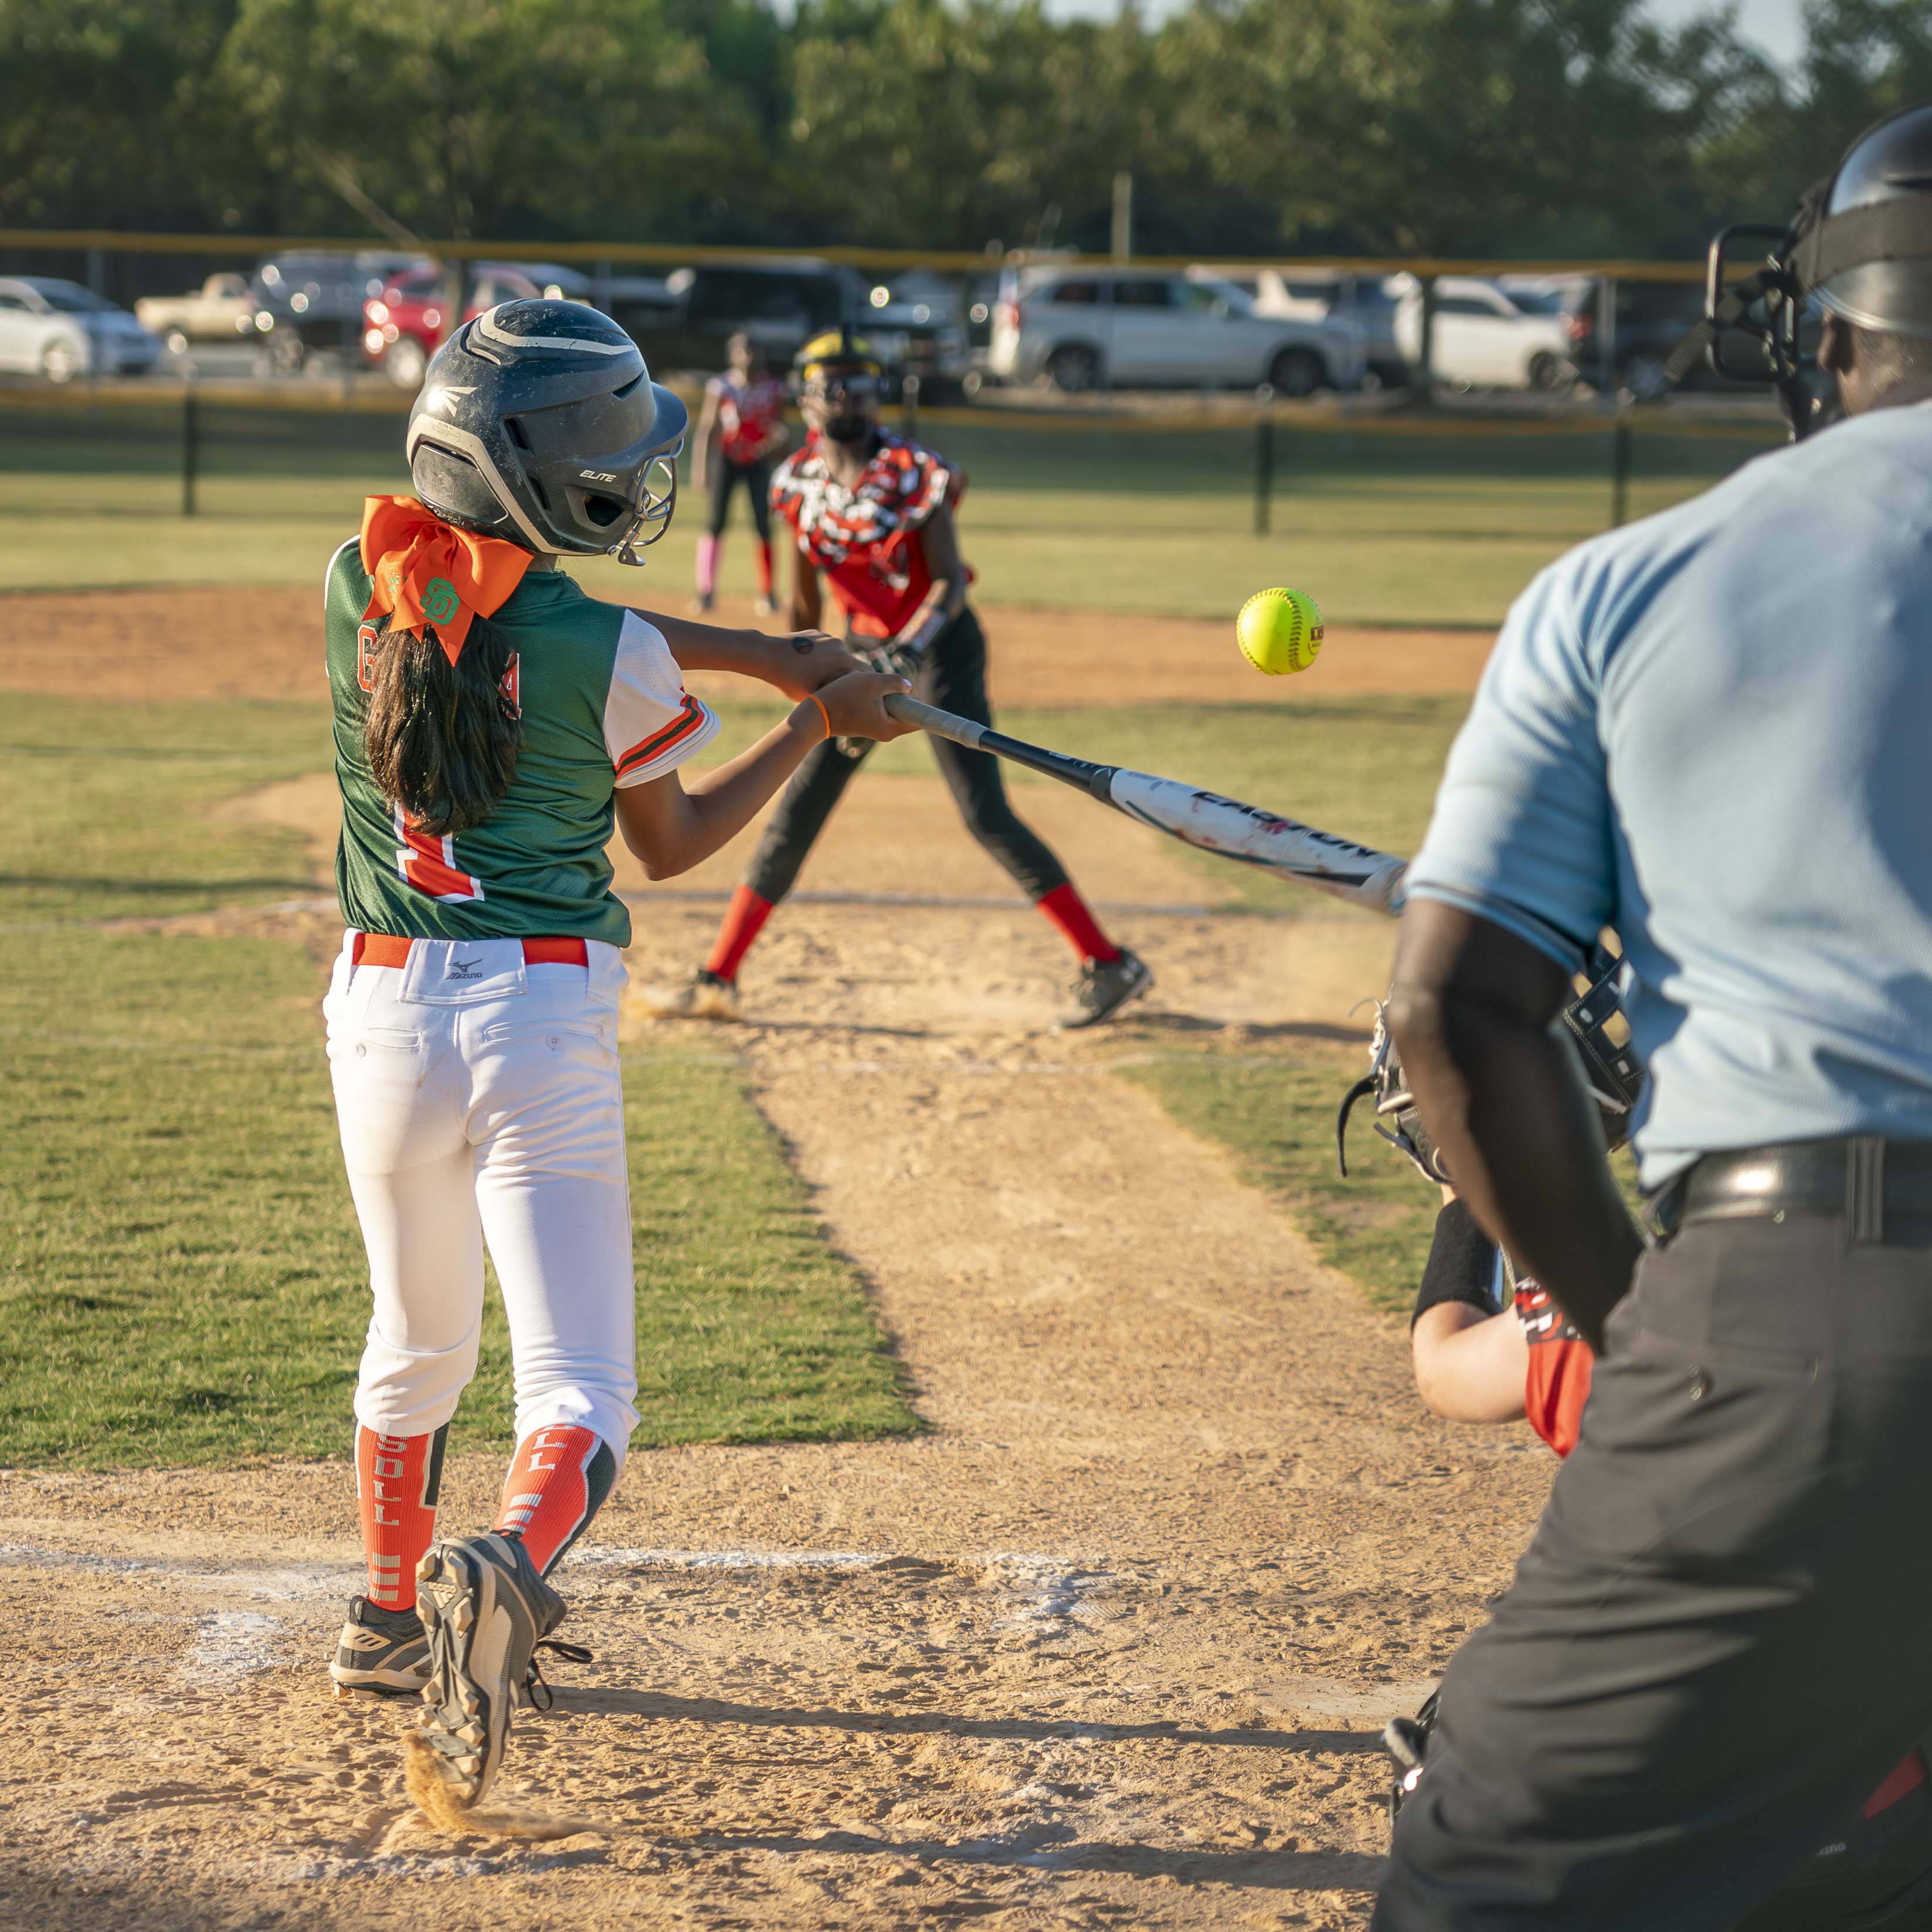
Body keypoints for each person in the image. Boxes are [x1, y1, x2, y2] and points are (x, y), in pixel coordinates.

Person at [1375, 102, 1932, 1926]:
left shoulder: (1629, 585)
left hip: (1808, 1316)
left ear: (1828, 334)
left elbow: (1459, 1021)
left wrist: (1635, 1328)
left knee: (1493, 1868)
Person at [318, 297, 913, 1814]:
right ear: (533, 471)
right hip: (540, 1015)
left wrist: (786, 650)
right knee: (579, 1386)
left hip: (381, 1015)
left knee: (417, 1336)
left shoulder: (354, 583)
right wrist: (814, 724)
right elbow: (674, 838)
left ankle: (384, 1617)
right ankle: (507, 1569)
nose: (629, 476)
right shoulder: (615, 655)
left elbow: (571, 624)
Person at [653, 330, 1150, 1031]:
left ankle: (1107, 962)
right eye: (834, 382)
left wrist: (909, 651)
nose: (850, 395)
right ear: (807, 394)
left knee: (984, 812)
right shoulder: (795, 481)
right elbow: (801, 605)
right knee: (800, 808)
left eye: (860, 383)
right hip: (860, 656)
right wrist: (807, 676)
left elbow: (946, 581)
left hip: (940, 649)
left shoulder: (913, 469)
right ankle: (719, 976)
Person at [690, 331, 789, 617]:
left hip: (758, 461)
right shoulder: (721, 386)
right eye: (742, 351)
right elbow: (707, 429)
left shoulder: (774, 388)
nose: (748, 356)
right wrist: (701, 471)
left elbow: (780, 430)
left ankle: (768, 594)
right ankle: (705, 592)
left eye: (753, 350)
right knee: (716, 523)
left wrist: (778, 446)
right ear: (732, 355)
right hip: (727, 459)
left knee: (763, 525)